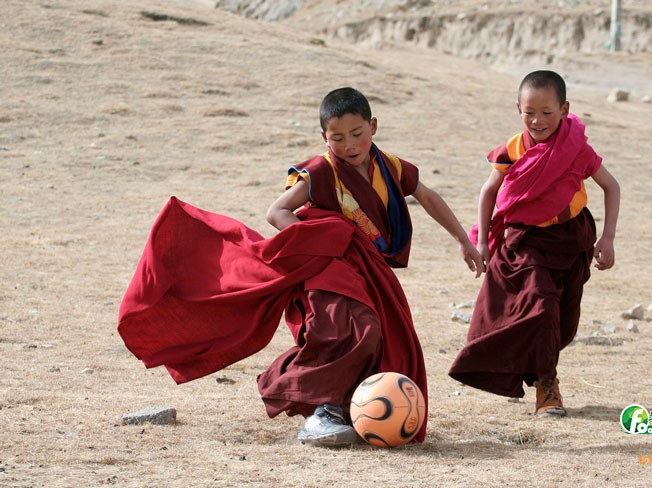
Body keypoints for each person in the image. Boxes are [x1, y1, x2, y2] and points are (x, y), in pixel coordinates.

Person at [117, 87, 483, 448]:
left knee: (384, 337)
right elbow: (276, 212)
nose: (349, 145)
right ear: (324, 137)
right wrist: (321, 240)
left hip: (368, 266)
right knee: (344, 328)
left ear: (373, 125)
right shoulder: (320, 170)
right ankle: (318, 412)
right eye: (337, 138)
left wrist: (462, 240)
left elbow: (427, 196)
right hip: (327, 266)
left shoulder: (391, 166)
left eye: (357, 134)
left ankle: (352, 409)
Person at [448, 70, 620, 417]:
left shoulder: (576, 147)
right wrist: (481, 243)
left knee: (562, 320)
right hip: (526, 242)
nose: (537, 121)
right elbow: (488, 193)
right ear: (518, 109)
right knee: (540, 306)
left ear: (564, 108)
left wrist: (608, 237)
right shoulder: (512, 150)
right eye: (529, 112)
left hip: (571, 239)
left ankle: (537, 363)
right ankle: (547, 386)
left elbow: (611, 187)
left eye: (547, 112)